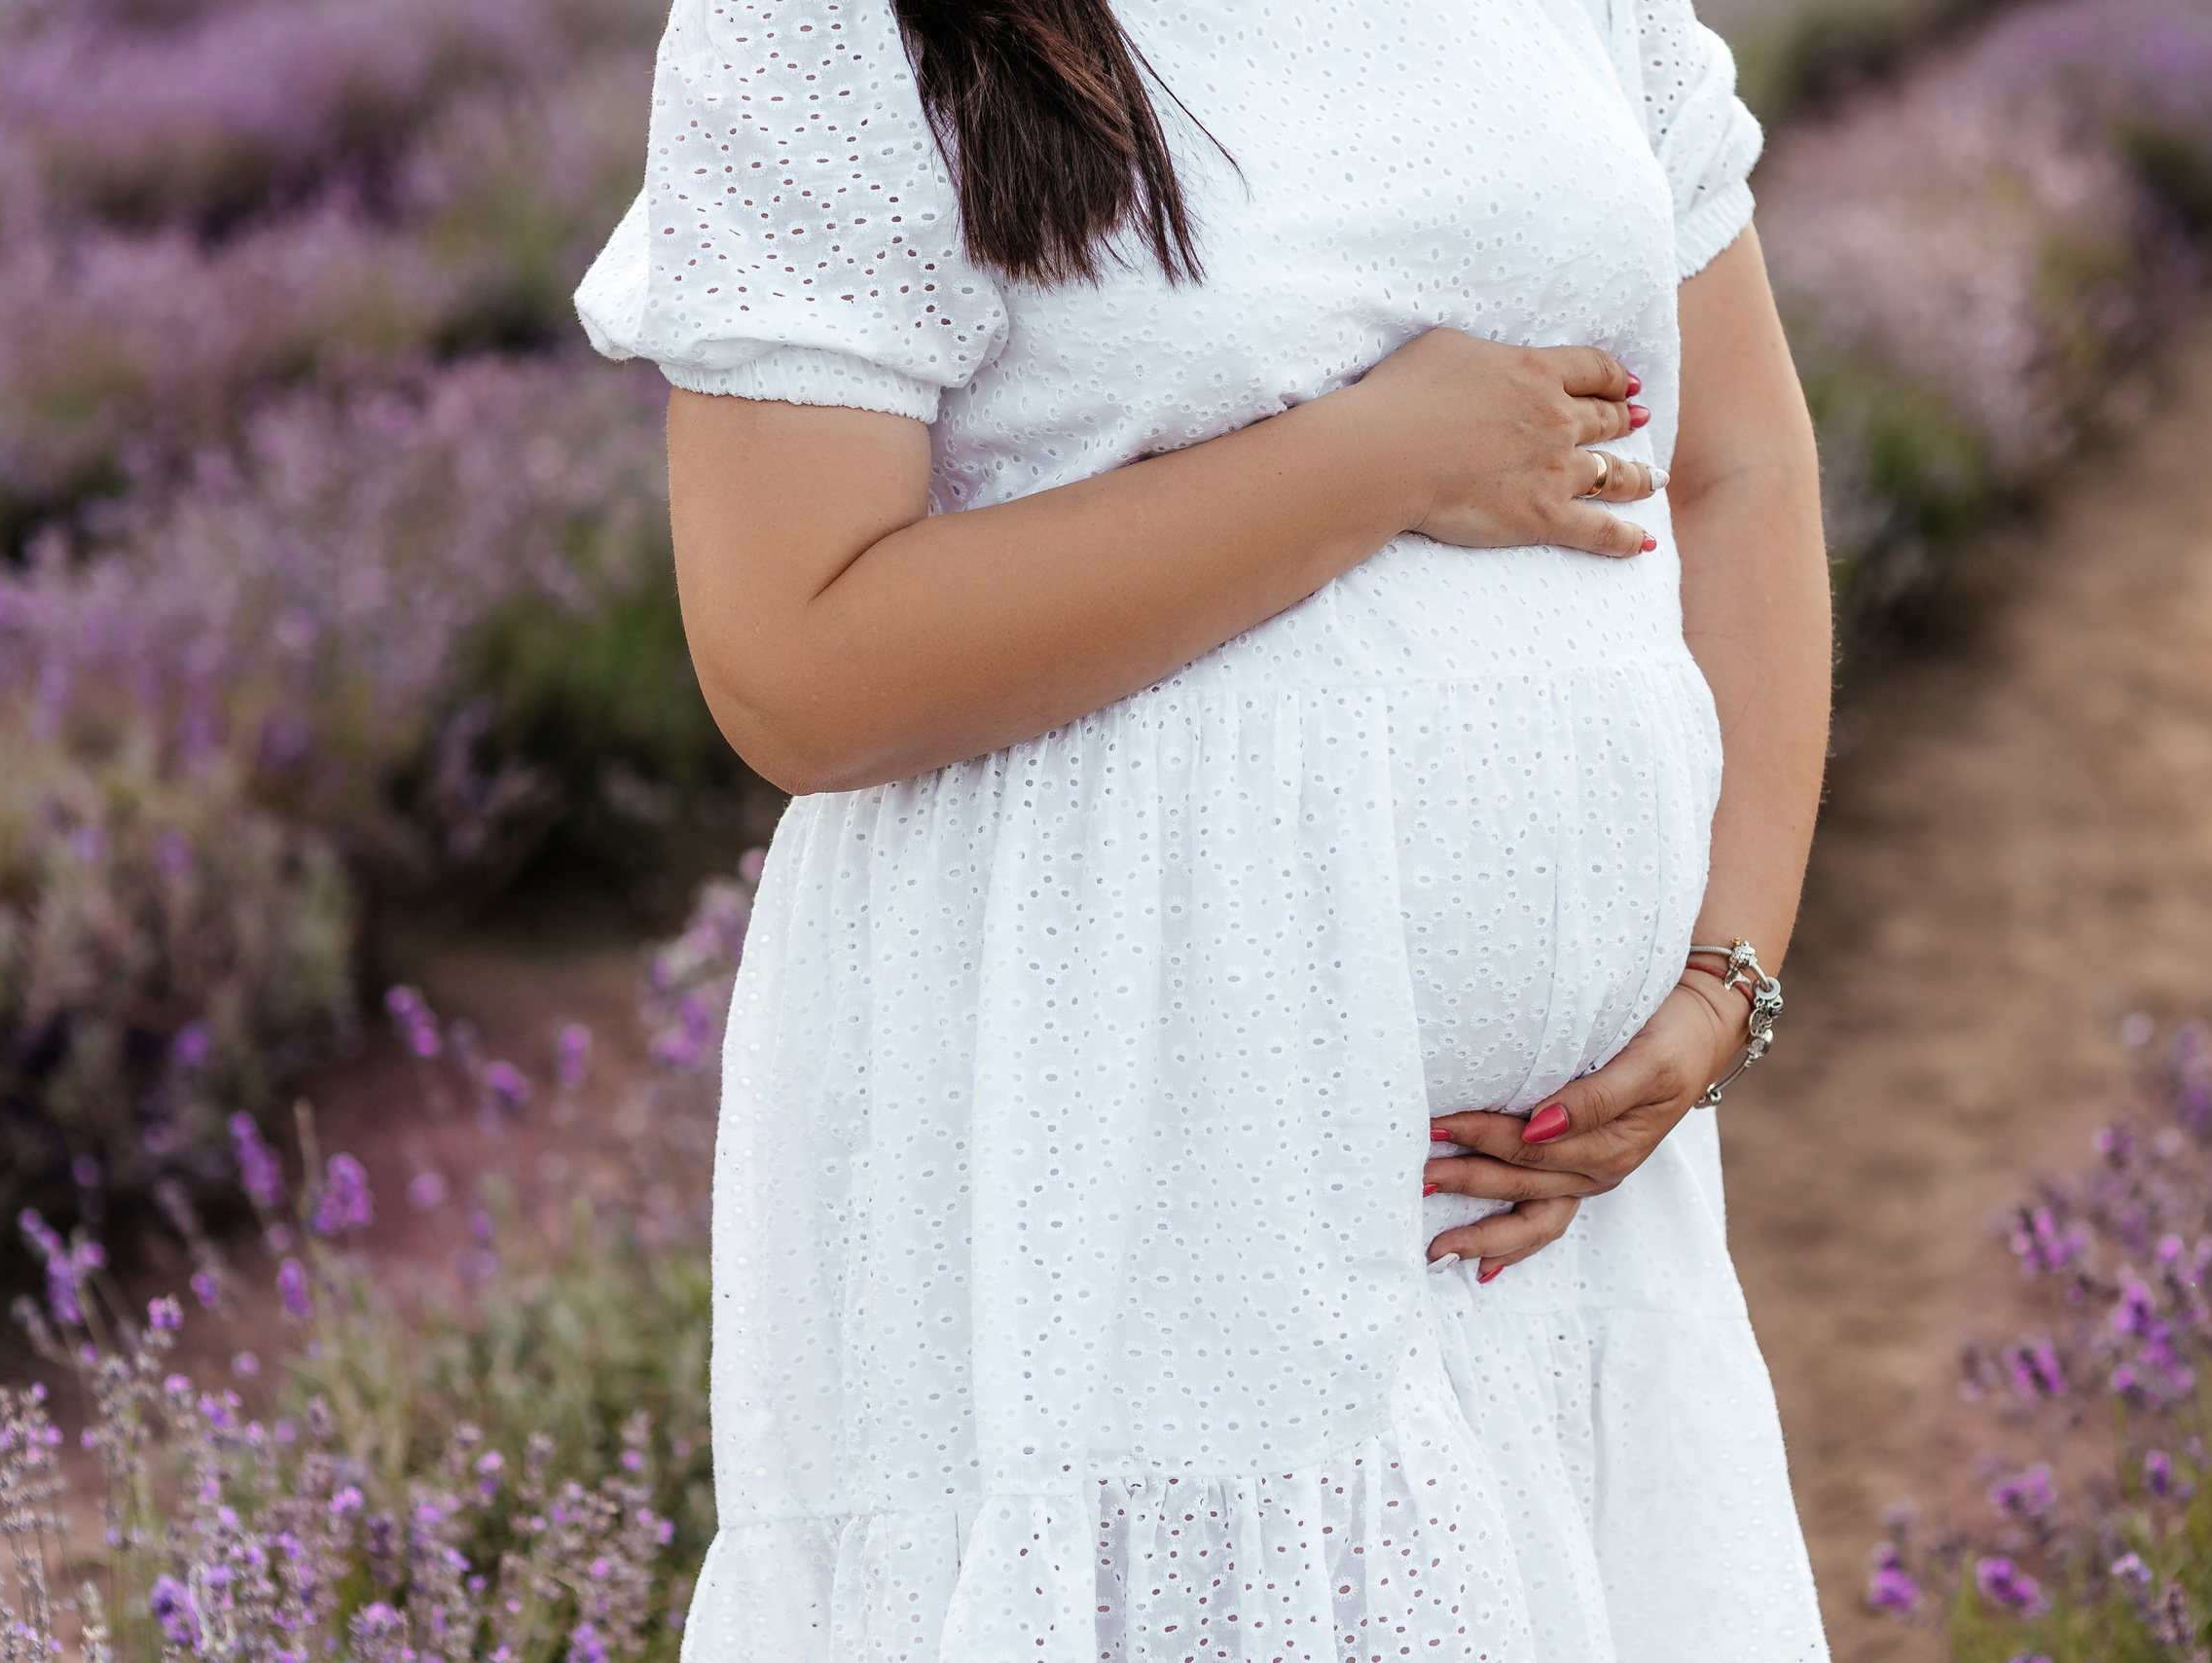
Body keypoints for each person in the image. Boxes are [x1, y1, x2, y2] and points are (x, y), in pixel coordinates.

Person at [576, 0, 1832, 1655]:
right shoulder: (825, 24)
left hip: (1547, 1242)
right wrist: (1372, 463)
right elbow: (793, 661)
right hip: (1127, 1191)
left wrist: (1725, 977)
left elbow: (1737, 462)